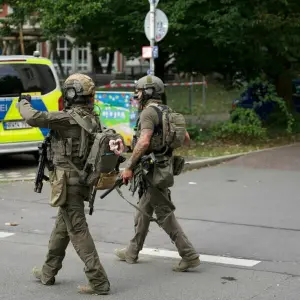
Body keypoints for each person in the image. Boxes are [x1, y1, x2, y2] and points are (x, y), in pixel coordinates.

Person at [17, 73, 110, 295]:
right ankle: (48, 273)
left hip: (68, 183)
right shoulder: (93, 119)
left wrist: (23, 102)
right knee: (62, 229)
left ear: (69, 94)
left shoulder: (67, 119)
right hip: (81, 180)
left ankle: (99, 282)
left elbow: (32, 117)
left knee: (78, 231)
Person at [114, 75, 200, 272]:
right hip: (162, 168)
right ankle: (132, 251)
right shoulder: (168, 111)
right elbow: (186, 138)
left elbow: (144, 141)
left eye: (139, 91)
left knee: (163, 213)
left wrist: (128, 166)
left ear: (149, 91)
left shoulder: (148, 113)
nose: (137, 94)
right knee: (143, 210)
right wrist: (164, 148)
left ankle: (189, 254)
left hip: (151, 171)